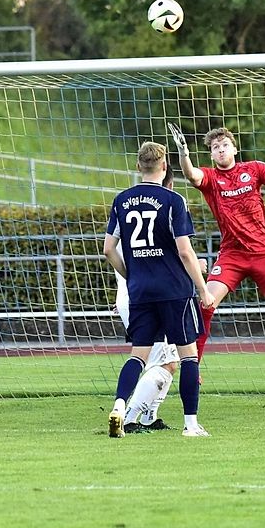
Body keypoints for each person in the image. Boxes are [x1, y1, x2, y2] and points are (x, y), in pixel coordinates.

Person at [169, 123, 265, 408]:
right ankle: (194, 368)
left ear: (234, 148)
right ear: (212, 154)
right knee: (205, 303)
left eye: (224, 145)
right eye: (215, 147)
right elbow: (191, 175)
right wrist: (183, 152)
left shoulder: (254, 169)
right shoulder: (211, 178)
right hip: (232, 254)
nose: (220, 150)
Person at [103, 141, 215, 438]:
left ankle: (118, 406)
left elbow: (108, 249)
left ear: (139, 166)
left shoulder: (121, 199)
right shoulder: (173, 201)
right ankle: (191, 424)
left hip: (140, 291)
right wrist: (202, 289)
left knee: (137, 356)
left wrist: (130, 274)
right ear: (164, 166)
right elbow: (185, 252)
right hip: (174, 291)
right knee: (188, 356)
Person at [111, 165, 184, 433]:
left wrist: (128, 277)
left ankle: (148, 416)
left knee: (162, 360)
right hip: (156, 295)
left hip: (132, 293)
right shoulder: (166, 210)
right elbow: (177, 256)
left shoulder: (123, 207)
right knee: (164, 361)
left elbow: (108, 249)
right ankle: (129, 417)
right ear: (168, 185)